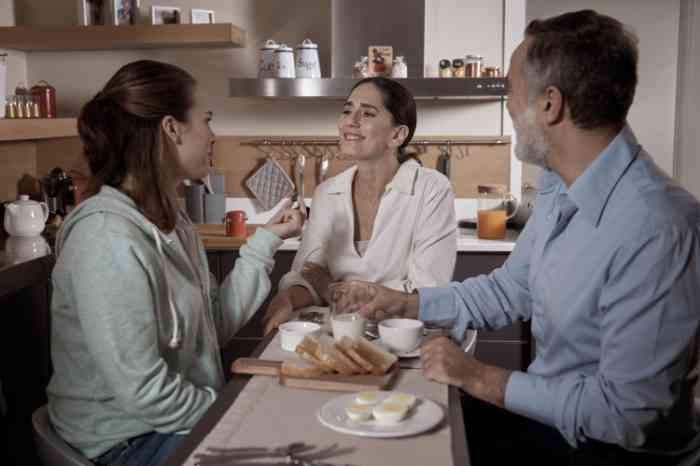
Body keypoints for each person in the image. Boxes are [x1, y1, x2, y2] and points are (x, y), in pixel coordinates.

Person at [331, 10, 700, 466]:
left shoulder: (657, 226)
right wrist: (404, 303)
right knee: (393, 439)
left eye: (510, 89)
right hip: (553, 428)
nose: (506, 102)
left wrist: (478, 376)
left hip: (610, 452)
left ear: (550, 104)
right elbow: (511, 290)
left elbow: (626, 416)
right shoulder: (559, 185)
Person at [46, 60, 304, 465]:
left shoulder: (173, 222)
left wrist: (266, 239)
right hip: (126, 444)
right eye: (207, 120)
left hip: (171, 422)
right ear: (171, 128)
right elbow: (145, 391)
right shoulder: (107, 238)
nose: (213, 135)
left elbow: (211, 325)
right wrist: (233, 411)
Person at [262, 77, 457, 335]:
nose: (350, 121)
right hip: (338, 334)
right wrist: (286, 299)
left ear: (397, 135)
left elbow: (427, 292)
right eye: (347, 110)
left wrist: (330, 288)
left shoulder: (431, 189)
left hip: (404, 337)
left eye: (367, 113)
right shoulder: (327, 193)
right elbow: (306, 275)